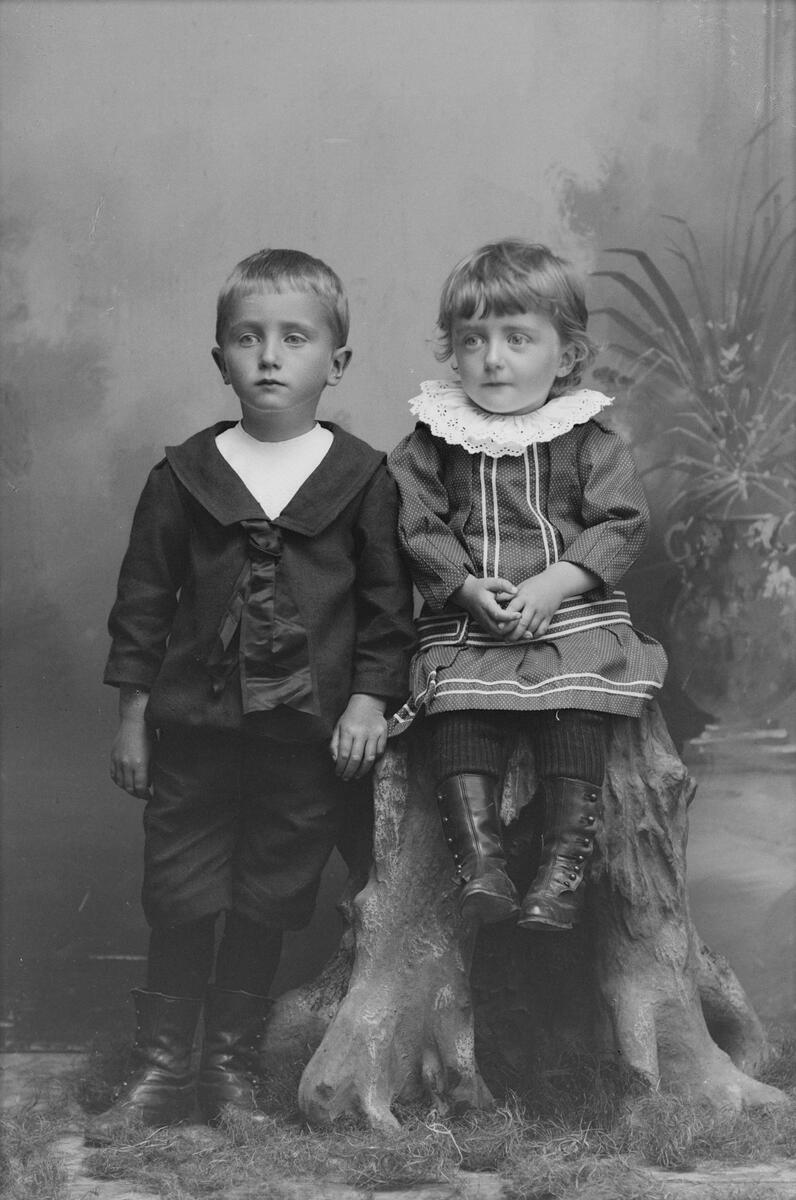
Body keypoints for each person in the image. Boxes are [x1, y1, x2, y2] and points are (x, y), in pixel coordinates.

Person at [85, 249, 415, 1142]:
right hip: (195, 734)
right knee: (180, 887)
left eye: (294, 338)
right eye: (247, 338)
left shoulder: (364, 479)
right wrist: (132, 718)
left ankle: (228, 1070)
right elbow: (143, 605)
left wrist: (368, 702)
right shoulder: (183, 476)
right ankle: (162, 1069)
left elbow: (388, 612)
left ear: (336, 363)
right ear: (220, 359)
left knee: (271, 890)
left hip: (306, 739)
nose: (269, 356)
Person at [388, 239, 667, 932]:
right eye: (473, 339)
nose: (493, 358)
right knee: (457, 711)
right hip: (472, 622)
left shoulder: (589, 439)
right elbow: (417, 523)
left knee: (576, 709)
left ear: (565, 356)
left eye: (517, 338)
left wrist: (554, 584)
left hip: (568, 618)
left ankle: (559, 873)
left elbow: (622, 522)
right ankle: (481, 867)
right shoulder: (432, 440)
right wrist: (463, 588)